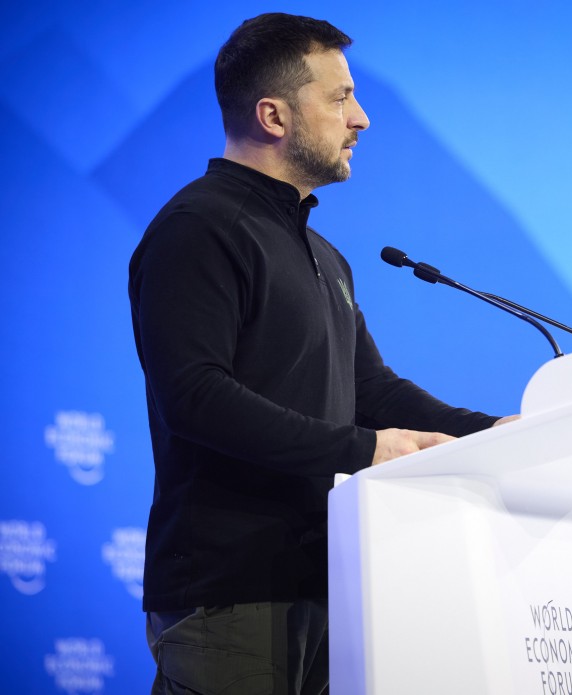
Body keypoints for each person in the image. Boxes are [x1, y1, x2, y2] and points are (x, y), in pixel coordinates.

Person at [128, 13, 513, 695]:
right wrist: (365, 449)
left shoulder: (323, 254)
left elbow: (373, 390)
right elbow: (195, 396)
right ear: (273, 115)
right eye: (340, 98)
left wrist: (495, 434)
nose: (360, 119)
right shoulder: (199, 228)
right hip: (229, 591)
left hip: (332, 583)